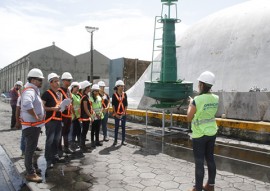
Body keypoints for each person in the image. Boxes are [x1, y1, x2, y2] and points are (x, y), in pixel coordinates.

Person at [187, 71, 219, 191]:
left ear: (201, 84)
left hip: (200, 134)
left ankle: (198, 188)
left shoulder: (197, 99)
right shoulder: (216, 98)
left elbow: (189, 117)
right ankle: (210, 186)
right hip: (212, 132)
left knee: (199, 161)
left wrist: (191, 104)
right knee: (210, 158)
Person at [20, 68, 45, 183]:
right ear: (34, 80)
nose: (41, 82)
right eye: (40, 80)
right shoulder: (30, 91)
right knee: (29, 150)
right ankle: (30, 173)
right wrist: (36, 116)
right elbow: (26, 104)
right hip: (31, 127)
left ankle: (31, 169)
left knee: (30, 149)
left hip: (33, 126)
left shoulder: (32, 90)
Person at [41, 73, 63, 169]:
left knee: (57, 139)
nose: (58, 83)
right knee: (50, 140)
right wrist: (53, 109)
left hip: (59, 119)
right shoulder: (46, 94)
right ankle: (48, 158)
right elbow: (43, 107)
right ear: (50, 83)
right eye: (55, 81)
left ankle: (55, 156)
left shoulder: (59, 94)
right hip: (50, 120)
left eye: (58, 80)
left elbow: (60, 105)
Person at [58, 72, 73, 154]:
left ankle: (66, 148)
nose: (69, 82)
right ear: (63, 81)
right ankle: (59, 150)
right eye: (68, 80)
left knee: (67, 132)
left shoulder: (68, 91)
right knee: (61, 133)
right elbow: (58, 103)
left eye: (70, 80)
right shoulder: (59, 91)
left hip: (68, 116)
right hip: (62, 116)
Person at [112, 80, 128, 146]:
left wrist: (124, 112)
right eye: (121, 86)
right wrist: (115, 114)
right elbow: (113, 105)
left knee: (123, 127)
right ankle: (115, 140)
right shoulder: (114, 95)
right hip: (117, 114)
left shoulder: (125, 94)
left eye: (123, 86)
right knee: (116, 127)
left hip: (123, 113)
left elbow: (126, 104)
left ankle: (123, 140)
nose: (122, 87)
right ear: (117, 87)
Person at [79, 80, 92, 152]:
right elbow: (85, 108)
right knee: (84, 131)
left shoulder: (86, 96)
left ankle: (83, 145)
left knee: (84, 131)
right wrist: (90, 116)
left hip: (86, 117)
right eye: (89, 87)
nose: (90, 88)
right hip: (85, 117)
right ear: (86, 88)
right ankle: (82, 146)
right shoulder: (84, 97)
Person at [70, 82, 82, 146]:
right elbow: (71, 106)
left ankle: (79, 141)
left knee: (78, 129)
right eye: (76, 87)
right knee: (73, 130)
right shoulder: (71, 95)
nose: (77, 89)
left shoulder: (78, 96)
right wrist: (74, 114)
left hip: (78, 116)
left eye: (78, 88)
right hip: (73, 116)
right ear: (73, 88)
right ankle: (72, 142)